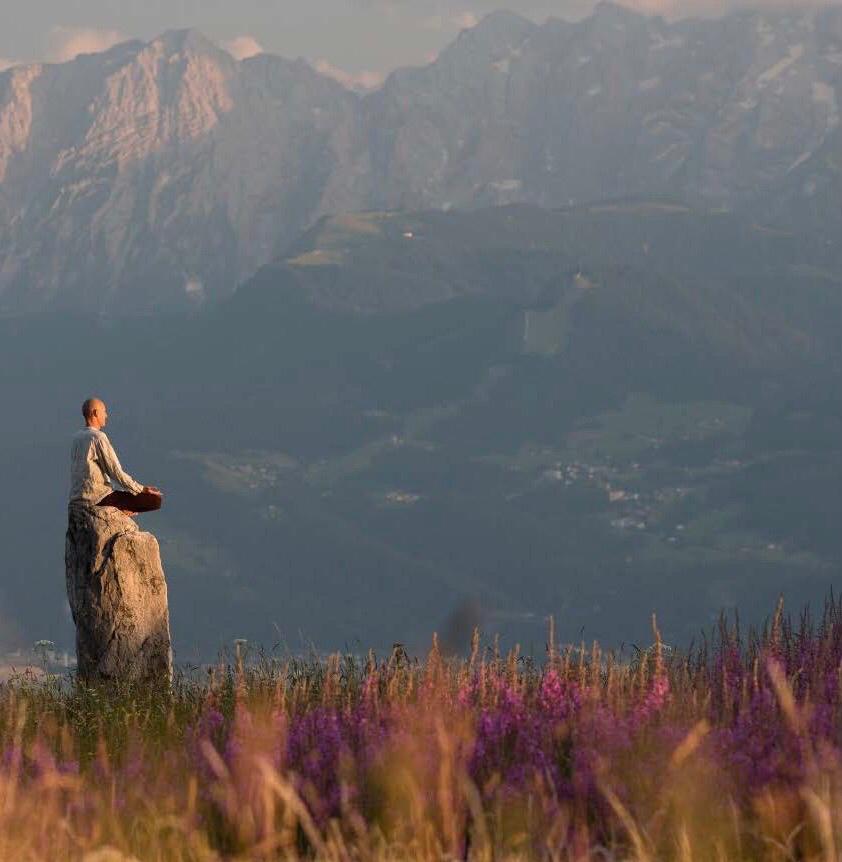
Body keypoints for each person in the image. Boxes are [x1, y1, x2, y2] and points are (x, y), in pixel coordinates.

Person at [69, 397, 163, 515]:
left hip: (77, 498)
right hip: (97, 498)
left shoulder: (77, 438)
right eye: (104, 411)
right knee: (155, 500)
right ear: (96, 413)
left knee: (123, 495)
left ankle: (122, 509)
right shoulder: (98, 437)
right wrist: (142, 489)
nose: (106, 415)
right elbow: (115, 472)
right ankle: (121, 510)